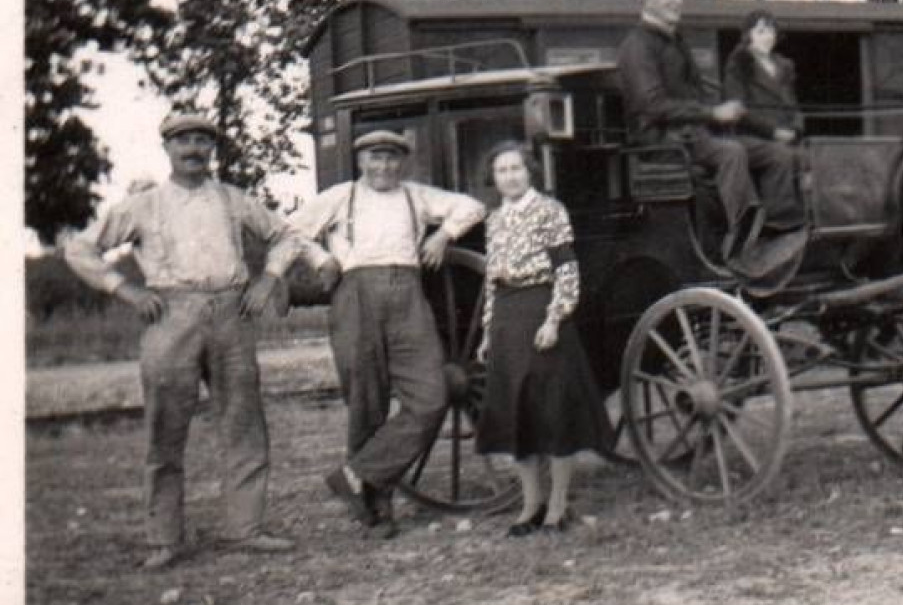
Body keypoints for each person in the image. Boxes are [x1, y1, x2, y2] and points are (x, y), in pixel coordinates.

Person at [62, 112, 300, 568]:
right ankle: (165, 539)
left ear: (213, 149)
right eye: (183, 141)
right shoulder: (144, 205)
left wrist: (269, 279)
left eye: (202, 141)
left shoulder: (233, 199)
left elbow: (287, 235)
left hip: (232, 313)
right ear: (167, 148)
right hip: (171, 315)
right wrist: (125, 289)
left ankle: (244, 528)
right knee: (165, 429)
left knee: (244, 422)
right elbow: (80, 248)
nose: (193, 149)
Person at [287, 129, 486, 539]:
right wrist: (322, 258)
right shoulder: (341, 196)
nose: (383, 166)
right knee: (367, 400)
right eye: (375, 158)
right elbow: (290, 231)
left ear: (403, 162)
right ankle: (376, 506)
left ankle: (356, 474)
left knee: (431, 397)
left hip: (409, 294)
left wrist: (444, 233)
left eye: (392, 158)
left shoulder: (416, 196)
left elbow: (473, 206)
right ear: (361, 161)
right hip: (355, 292)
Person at [616, 0, 803, 261]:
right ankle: (741, 239)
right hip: (663, 141)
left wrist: (722, 112)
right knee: (731, 154)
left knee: (778, 154)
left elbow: (696, 96)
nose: (678, 1)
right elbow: (652, 105)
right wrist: (712, 114)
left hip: (695, 136)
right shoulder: (637, 46)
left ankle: (781, 229)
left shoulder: (675, 42)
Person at [474, 142, 613, 535]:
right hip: (506, 315)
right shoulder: (494, 219)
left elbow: (567, 270)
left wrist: (554, 319)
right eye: (502, 171)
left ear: (529, 171)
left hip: (541, 309)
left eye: (516, 168)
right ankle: (529, 505)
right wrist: (487, 330)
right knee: (517, 411)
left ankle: (557, 506)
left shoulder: (550, 210)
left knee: (552, 409)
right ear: (494, 178)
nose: (510, 176)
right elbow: (491, 279)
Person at [723, 9, 804, 144]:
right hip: (755, 137)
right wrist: (773, 132)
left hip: (788, 134)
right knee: (783, 157)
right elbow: (738, 108)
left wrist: (797, 129)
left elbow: (793, 104)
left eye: (771, 31)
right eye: (761, 32)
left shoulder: (785, 65)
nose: (768, 37)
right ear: (748, 35)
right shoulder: (739, 63)